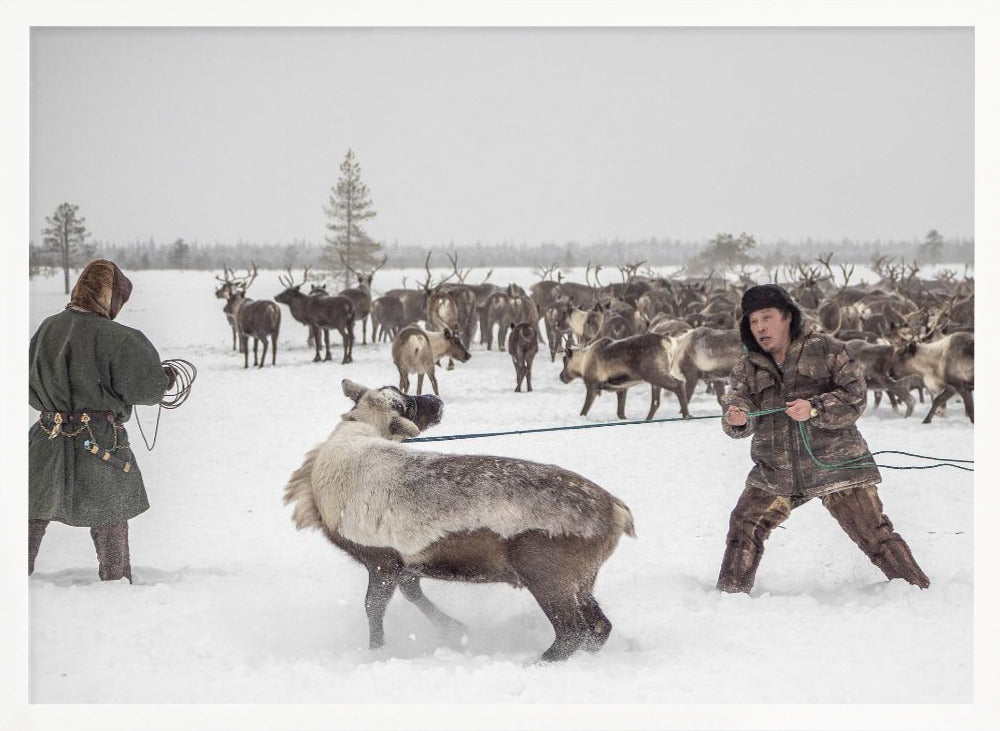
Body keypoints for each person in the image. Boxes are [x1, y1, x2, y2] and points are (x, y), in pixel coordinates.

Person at [717, 283, 929, 593]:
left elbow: (855, 397)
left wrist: (815, 408)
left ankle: (917, 591)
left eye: (767, 317)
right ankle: (730, 596)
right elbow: (737, 402)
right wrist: (736, 416)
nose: (760, 327)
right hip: (777, 470)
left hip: (837, 464)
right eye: (753, 321)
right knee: (743, 526)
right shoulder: (747, 367)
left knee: (873, 533)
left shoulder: (828, 349)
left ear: (787, 316)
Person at [29, 260, 174, 582]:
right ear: (112, 296)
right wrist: (164, 379)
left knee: (32, 511)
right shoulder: (119, 337)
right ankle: (116, 582)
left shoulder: (46, 328)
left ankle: (11, 579)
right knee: (111, 515)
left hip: (45, 434)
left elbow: (28, 382)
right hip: (97, 439)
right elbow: (147, 390)